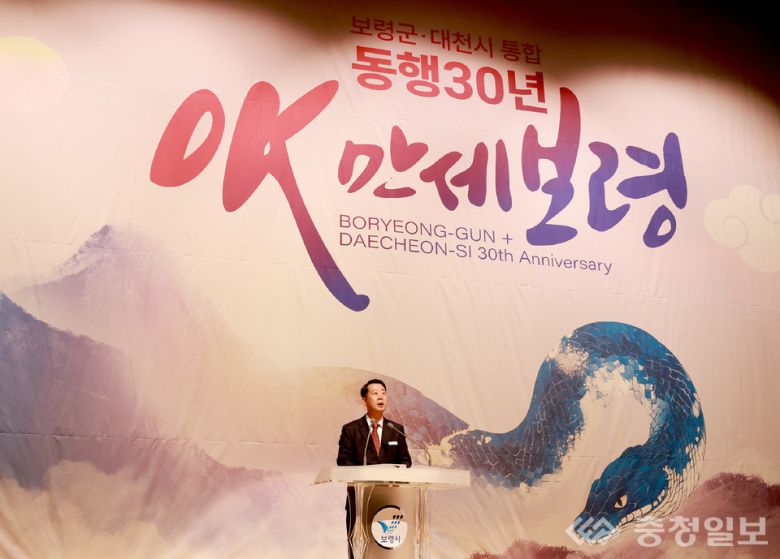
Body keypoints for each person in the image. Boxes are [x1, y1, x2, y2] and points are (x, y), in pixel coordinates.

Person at [337, 379, 412, 557]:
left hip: (390, 499)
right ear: (364, 400)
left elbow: (406, 461)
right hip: (359, 499)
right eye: (375, 393)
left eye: (383, 393)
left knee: (387, 550)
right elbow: (343, 461)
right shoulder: (351, 429)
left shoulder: (396, 429)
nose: (380, 397)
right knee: (360, 549)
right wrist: (367, 474)